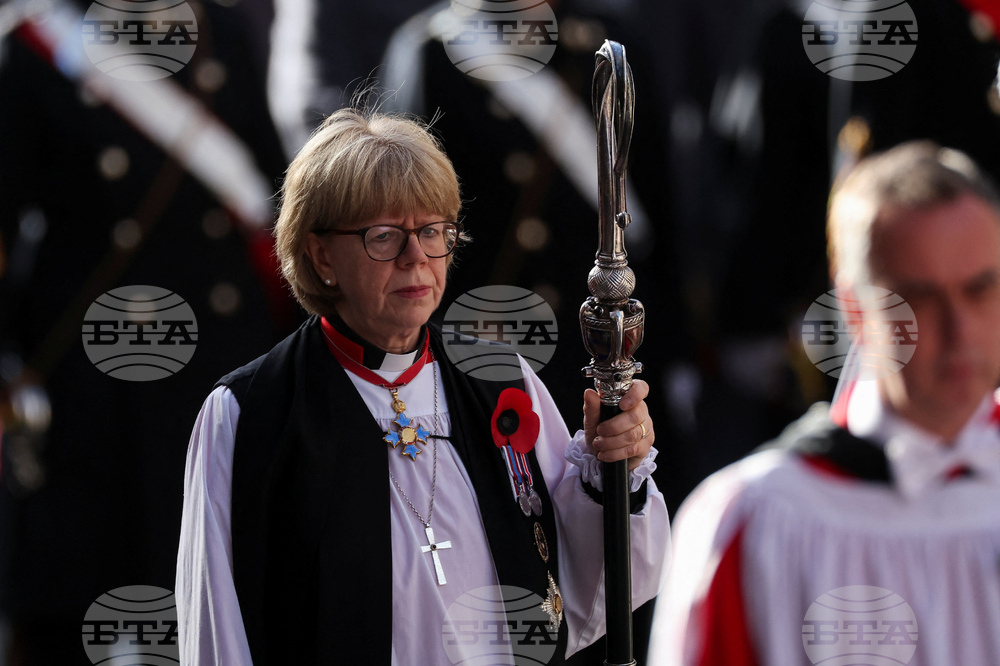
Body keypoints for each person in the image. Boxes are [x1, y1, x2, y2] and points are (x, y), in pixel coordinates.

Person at [175, 107, 670, 665]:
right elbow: (216, 628)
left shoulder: (503, 381)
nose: (417, 258)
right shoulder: (248, 414)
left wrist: (615, 471)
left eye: (432, 231)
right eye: (384, 236)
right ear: (320, 255)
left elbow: (587, 589)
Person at [648, 141, 1000, 665]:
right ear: (856, 311)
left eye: (981, 289)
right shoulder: (756, 519)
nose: (960, 331)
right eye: (921, 298)